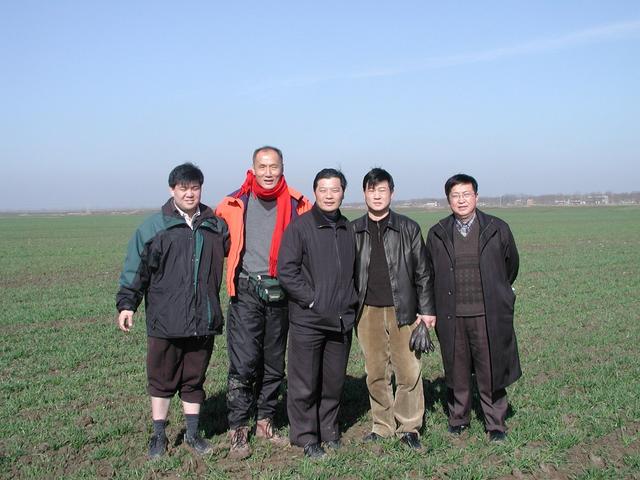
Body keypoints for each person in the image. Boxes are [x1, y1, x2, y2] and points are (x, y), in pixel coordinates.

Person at [116, 163, 229, 458]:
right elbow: (135, 269)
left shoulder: (215, 225)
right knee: (162, 378)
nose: (190, 193)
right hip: (165, 319)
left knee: (194, 378)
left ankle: (192, 435)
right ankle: (159, 436)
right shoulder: (155, 227)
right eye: (183, 188)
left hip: (203, 317)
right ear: (172, 190)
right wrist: (127, 304)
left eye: (195, 187)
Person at [215, 146, 311, 459]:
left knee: (273, 362)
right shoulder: (233, 203)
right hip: (245, 291)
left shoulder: (299, 205)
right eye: (262, 166)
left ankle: (265, 421)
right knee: (243, 363)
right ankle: (238, 428)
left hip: (281, 292)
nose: (268, 172)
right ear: (253, 168)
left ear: (283, 168)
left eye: (274, 166)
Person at [424, 173, 521, 441]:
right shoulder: (438, 233)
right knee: (456, 370)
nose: (461, 200)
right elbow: (429, 273)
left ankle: (496, 424)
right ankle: (459, 418)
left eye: (466, 194)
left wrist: (497, 293)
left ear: (476, 197)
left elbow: (510, 266)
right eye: (455, 195)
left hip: (488, 313)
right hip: (451, 314)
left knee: (491, 369)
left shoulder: (497, 228)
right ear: (448, 200)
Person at [277, 168, 358, 459]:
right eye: (323, 189)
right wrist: (312, 300)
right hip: (309, 320)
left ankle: (329, 431)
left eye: (334, 189)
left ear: (343, 193)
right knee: (304, 383)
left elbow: (354, 272)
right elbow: (286, 271)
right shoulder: (300, 227)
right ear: (315, 192)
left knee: (333, 381)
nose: (329, 195)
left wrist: (350, 301)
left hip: (339, 320)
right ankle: (305, 436)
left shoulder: (348, 228)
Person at [352, 168, 434, 450]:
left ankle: (409, 427)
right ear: (364, 193)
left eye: (382, 190)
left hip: (404, 310)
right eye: (372, 190)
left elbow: (423, 273)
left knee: (408, 371)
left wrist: (426, 312)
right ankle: (382, 426)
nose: (377, 195)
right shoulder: (354, 230)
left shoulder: (408, 228)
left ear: (392, 193)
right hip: (367, 312)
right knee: (375, 372)